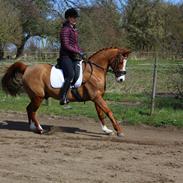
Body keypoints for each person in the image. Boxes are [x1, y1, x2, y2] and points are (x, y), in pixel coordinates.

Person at [58, 8, 84, 105]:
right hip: (65, 57)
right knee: (70, 75)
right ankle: (63, 96)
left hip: (73, 56)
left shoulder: (74, 30)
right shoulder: (65, 29)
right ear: (68, 18)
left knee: (80, 72)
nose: (75, 19)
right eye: (73, 17)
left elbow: (75, 44)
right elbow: (66, 45)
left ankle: (73, 90)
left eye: (76, 17)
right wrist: (78, 51)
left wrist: (81, 52)